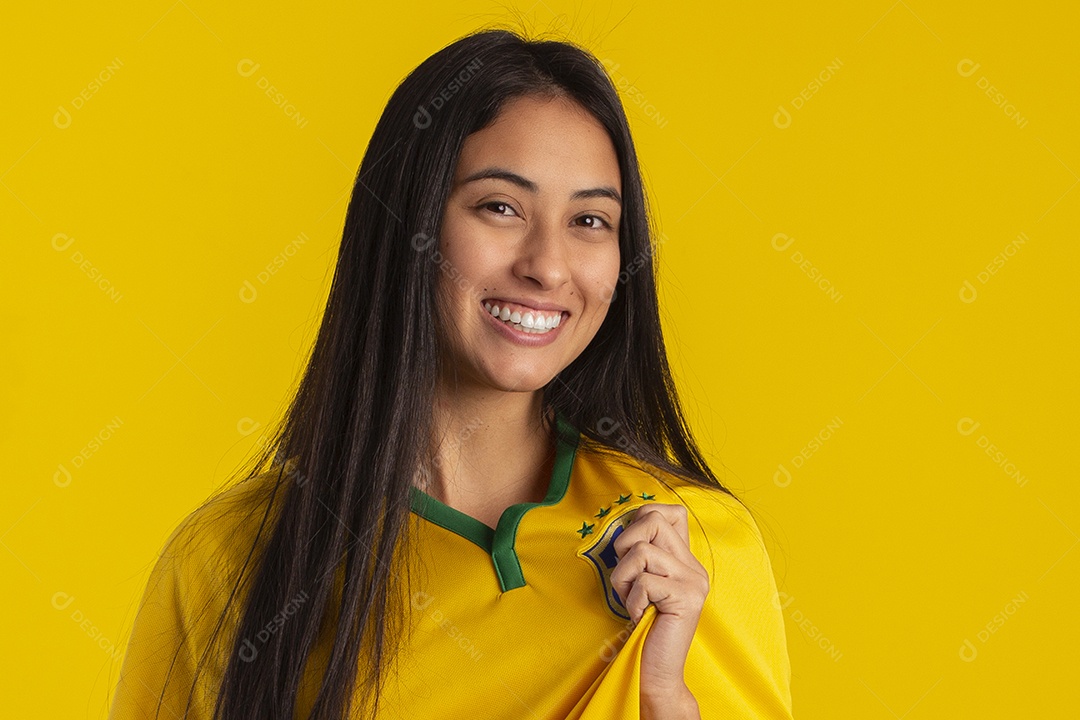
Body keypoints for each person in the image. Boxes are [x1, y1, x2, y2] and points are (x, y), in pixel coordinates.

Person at [107, 26, 794, 720]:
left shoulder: (693, 547)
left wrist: (663, 696)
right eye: (501, 207)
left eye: (590, 220)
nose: (548, 265)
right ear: (409, 221)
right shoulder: (232, 562)